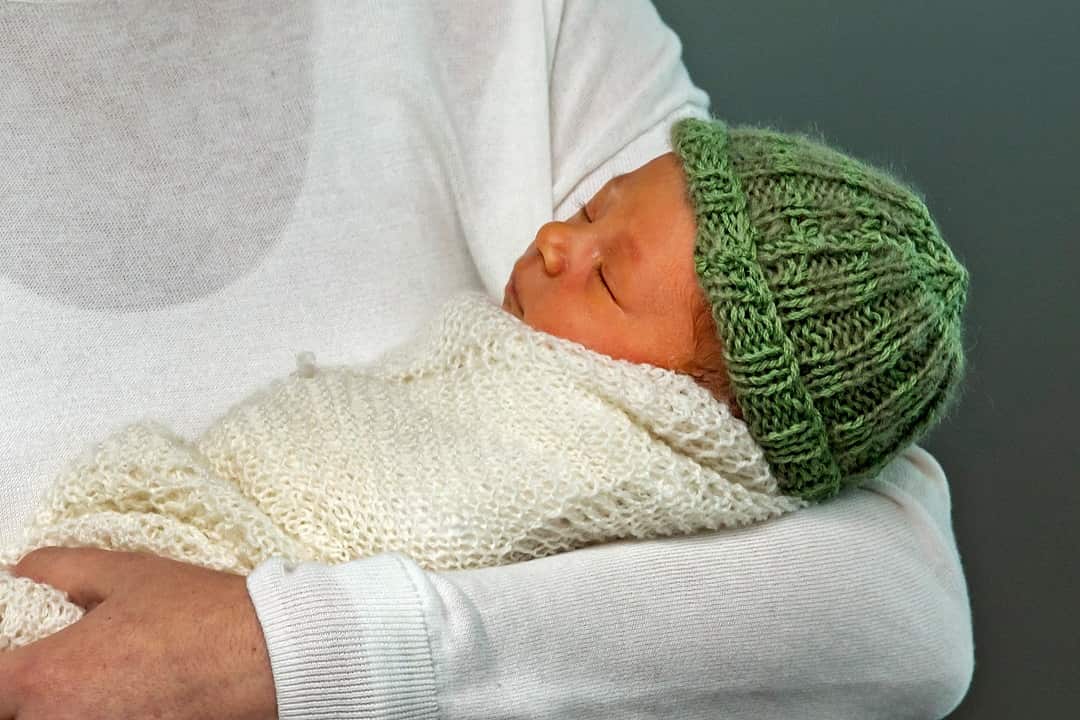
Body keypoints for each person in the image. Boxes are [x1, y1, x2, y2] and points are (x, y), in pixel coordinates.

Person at [0, 2, 974, 718]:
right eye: (586, 209)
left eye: (606, 271)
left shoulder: (525, 23)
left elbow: (898, 601)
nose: (556, 241)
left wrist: (304, 654)